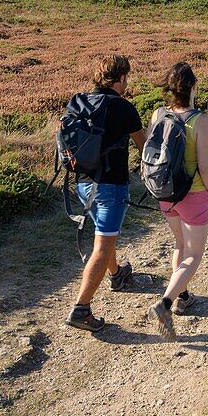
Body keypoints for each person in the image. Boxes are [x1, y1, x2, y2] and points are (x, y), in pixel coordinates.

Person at [65, 54, 146, 332]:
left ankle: (117, 274)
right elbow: (144, 145)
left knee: (104, 233)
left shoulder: (80, 102)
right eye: (127, 78)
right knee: (102, 246)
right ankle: (81, 309)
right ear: (121, 77)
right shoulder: (123, 108)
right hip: (111, 186)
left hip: (83, 183)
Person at [148, 62, 208, 341]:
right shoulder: (200, 120)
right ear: (192, 87)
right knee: (194, 254)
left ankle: (181, 297)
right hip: (194, 193)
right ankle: (165, 303)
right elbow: (205, 165)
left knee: (179, 244)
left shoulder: (158, 114)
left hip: (165, 191)